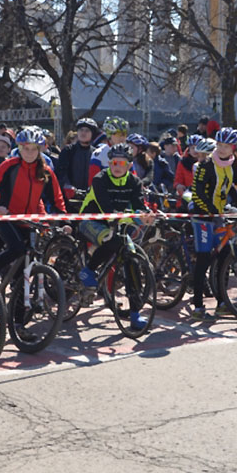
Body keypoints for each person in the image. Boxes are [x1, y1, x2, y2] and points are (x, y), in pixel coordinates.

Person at [77, 142, 153, 333]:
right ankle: (88, 270)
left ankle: (135, 314)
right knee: (112, 239)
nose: (117, 167)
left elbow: (138, 205)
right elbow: (106, 210)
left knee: (133, 261)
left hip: (117, 222)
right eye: (113, 163)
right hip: (92, 220)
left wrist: (145, 215)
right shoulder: (100, 179)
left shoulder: (134, 182)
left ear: (129, 165)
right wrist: (133, 217)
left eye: (121, 163)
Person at [0, 127, 67, 278]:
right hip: (7, 217)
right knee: (18, 249)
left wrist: (65, 221)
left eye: (34, 149)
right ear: (19, 148)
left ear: (39, 150)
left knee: (29, 257)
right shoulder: (9, 166)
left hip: (29, 221)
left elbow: (57, 199)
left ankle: (18, 296)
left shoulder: (45, 171)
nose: (29, 153)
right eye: (25, 148)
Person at [190, 127, 237, 321]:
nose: (221, 149)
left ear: (233, 147)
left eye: (226, 146)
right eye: (219, 145)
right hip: (202, 216)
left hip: (218, 215)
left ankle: (221, 303)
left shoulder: (234, 165)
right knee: (203, 259)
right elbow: (197, 193)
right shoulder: (206, 165)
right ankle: (198, 305)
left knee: (224, 257)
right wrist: (210, 210)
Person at [56, 118, 98, 197]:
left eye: (87, 130)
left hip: (91, 196)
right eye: (81, 130)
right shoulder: (68, 150)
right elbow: (61, 172)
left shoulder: (96, 153)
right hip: (70, 196)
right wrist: (67, 186)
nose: (83, 133)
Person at [89, 117, 129, 182]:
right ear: (109, 134)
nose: (122, 137)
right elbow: (93, 181)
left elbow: (133, 175)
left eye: (124, 134)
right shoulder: (99, 154)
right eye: (118, 134)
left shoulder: (128, 153)